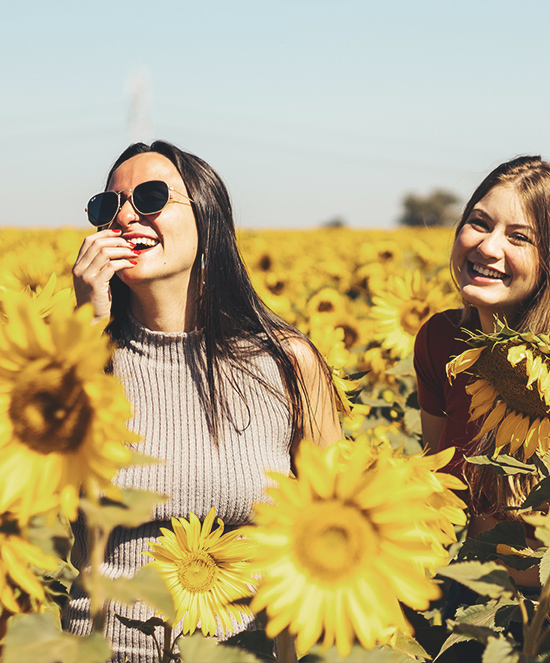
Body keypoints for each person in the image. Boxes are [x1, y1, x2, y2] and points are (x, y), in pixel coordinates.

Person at [66, 140, 342, 660]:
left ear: (208, 215)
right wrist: (86, 332)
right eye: (109, 206)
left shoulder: (286, 364)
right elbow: (41, 508)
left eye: (150, 198)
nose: (125, 216)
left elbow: (332, 526)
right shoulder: (77, 359)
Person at [413, 156, 550, 571]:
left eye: (519, 237)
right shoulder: (440, 341)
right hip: (466, 590)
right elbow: (436, 479)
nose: (488, 247)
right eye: (479, 223)